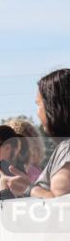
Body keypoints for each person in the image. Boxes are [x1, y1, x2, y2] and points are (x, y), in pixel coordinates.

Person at [27, 69, 70, 198]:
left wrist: (29, 189)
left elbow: (60, 202)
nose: (38, 113)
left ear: (53, 106)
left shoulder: (67, 148)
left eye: (39, 104)